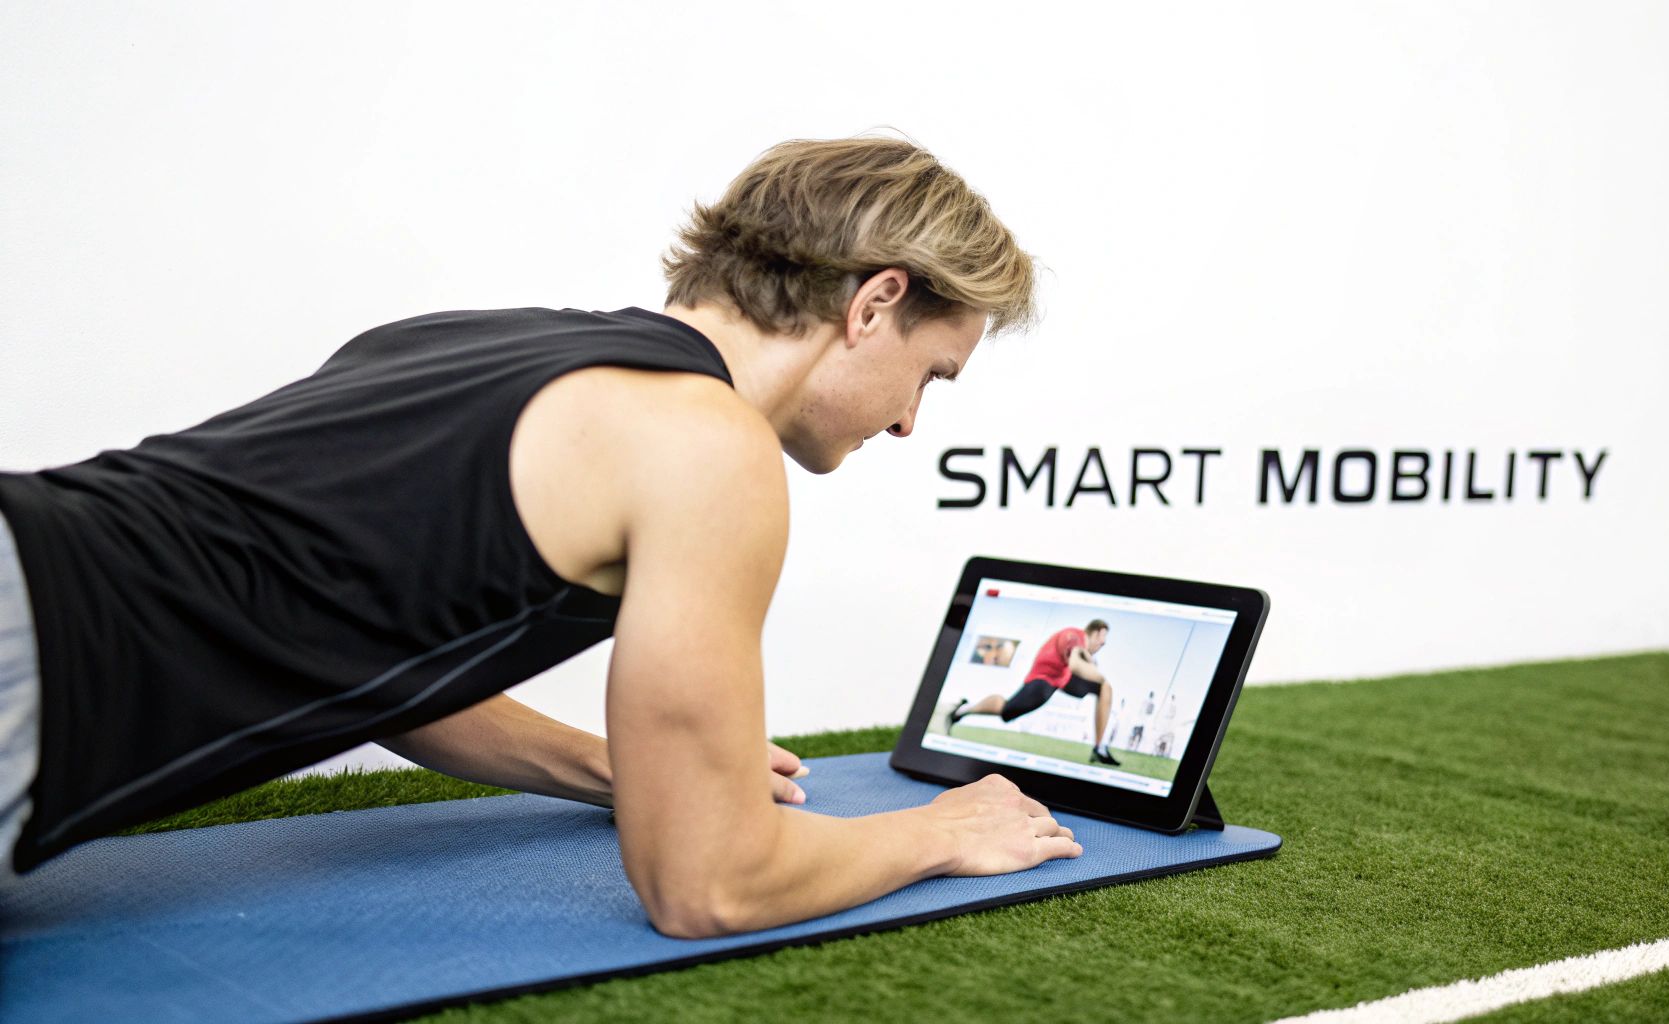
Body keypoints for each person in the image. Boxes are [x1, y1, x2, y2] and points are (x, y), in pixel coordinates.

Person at [0, 134, 1084, 937]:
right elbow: (705, 884)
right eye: (928, 375)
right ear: (873, 301)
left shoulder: (457, 341)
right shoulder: (709, 446)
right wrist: (937, 831)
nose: (906, 419)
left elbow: (361, 646)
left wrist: (616, 768)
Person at [941, 620, 1119, 765]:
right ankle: (963, 710)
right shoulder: (1075, 635)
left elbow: (1076, 662)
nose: (1101, 646)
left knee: (1104, 689)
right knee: (1006, 710)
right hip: (1043, 680)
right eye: (1101, 642)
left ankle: (1099, 748)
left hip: (1061, 678)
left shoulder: (1080, 647)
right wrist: (1098, 674)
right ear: (1094, 633)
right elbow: (1075, 662)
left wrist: (1093, 670)